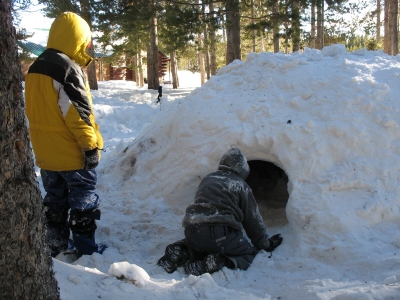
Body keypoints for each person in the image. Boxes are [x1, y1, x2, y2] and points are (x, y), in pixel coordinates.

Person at [25, 12, 105, 258]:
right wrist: (90, 146)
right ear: (77, 38)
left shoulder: (35, 66)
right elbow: (76, 114)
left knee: (55, 200)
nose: (87, 46)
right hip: (72, 152)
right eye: (85, 40)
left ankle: (55, 243)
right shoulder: (67, 68)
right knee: (83, 202)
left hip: (46, 153)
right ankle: (86, 249)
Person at [157, 147, 283, 276]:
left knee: (199, 246)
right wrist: (264, 244)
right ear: (242, 169)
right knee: (247, 254)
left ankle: (181, 251)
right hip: (221, 234)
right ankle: (217, 262)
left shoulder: (207, 178)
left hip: (192, 230)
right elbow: (253, 219)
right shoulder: (240, 185)